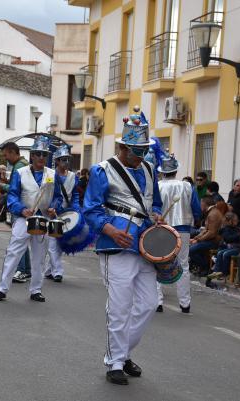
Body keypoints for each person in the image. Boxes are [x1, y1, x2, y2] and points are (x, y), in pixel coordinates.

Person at [83, 107, 163, 386]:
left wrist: (157, 216)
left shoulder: (150, 169)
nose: (141, 156)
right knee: (119, 306)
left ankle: (122, 351)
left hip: (145, 245)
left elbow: (155, 202)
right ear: (122, 147)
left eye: (143, 150)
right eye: (136, 151)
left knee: (150, 303)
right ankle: (116, 361)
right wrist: (111, 230)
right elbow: (91, 210)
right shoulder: (101, 170)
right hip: (116, 244)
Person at [0, 136, 61, 303]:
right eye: (37, 154)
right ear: (31, 155)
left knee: (39, 256)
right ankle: (2, 288)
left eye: (44, 154)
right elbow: (12, 197)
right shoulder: (19, 173)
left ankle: (36, 290)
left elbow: (58, 197)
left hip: (43, 219)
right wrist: (22, 210)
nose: (41, 157)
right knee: (13, 253)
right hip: (24, 219)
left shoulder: (53, 174)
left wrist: (54, 207)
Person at [155, 153, 201, 313]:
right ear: (176, 171)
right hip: (183, 229)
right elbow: (196, 209)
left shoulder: (157, 186)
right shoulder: (187, 186)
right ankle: (185, 303)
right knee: (183, 265)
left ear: (162, 171)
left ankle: (158, 301)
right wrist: (196, 221)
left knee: (158, 262)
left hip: (162, 227)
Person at [44, 145, 80, 283]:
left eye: (68, 159)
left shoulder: (72, 176)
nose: (66, 162)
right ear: (57, 161)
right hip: (52, 213)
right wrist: (50, 208)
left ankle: (48, 270)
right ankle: (58, 271)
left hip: (67, 214)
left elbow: (75, 195)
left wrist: (76, 209)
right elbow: (47, 194)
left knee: (58, 243)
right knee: (53, 242)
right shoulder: (49, 175)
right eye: (63, 159)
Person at [0, 141, 32, 283]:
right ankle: (27, 270)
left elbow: (14, 188)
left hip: (19, 209)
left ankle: (22, 270)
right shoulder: (24, 163)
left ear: (13, 152)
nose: (5, 158)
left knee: (18, 241)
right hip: (23, 208)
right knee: (22, 240)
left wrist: (1, 185)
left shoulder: (19, 166)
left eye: (6, 155)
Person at [207, 213, 240, 285]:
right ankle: (217, 271)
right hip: (236, 247)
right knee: (220, 253)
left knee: (226, 254)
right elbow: (231, 239)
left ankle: (224, 272)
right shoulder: (238, 230)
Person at [188, 196, 223, 276]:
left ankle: (205, 267)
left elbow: (211, 233)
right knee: (192, 246)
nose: (200, 206)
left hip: (214, 241)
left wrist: (198, 240)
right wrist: (195, 238)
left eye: (201, 204)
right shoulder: (211, 212)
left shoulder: (213, 214)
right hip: (210, 240)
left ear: (204, 204)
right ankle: (202, 267)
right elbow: (205, 230)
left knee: (191, 250)